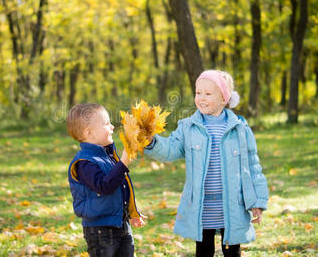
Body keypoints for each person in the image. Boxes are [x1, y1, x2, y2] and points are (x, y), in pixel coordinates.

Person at [144, 70, 268, 257]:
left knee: (232, 251)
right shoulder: (188, 127)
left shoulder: (240, 128)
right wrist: (151, 142)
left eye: (208, 94)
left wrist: (257, 201)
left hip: (232, 204)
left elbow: (253, 166)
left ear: (224, 99)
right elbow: (170, 149)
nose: (201, 98)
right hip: (202, 207)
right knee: (203, 250)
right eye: (198, 92)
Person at [67, 103, 145, 257]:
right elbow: (104, 186)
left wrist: (132, 212)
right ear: (89, 132)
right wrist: (123, 164)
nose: (112, 127)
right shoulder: (84, 163)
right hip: (100, 230)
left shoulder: (108, 156)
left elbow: (121, 187)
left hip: (120, 223)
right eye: (106, 123)